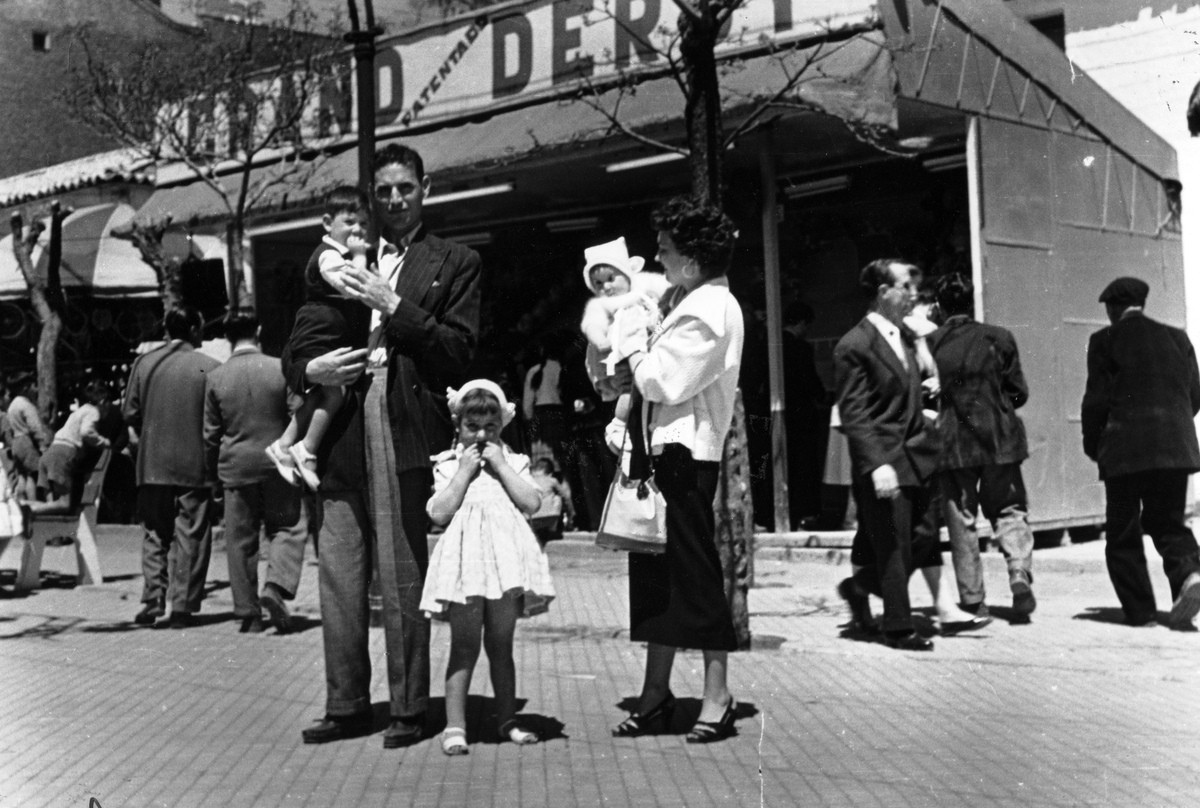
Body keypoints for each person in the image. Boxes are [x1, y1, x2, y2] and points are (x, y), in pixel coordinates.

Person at [288, 142, 481, 748]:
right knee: (339, 573)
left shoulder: (454, 262)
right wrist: (307, 369)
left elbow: (457, 349)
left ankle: (406, 707)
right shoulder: (342, 257)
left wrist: (393, 305)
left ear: (426, 187)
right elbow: (305, 330)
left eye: (405, 188)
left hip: (401, 419)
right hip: (340, 417)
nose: (394, 199)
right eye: (384, 191)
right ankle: (345, 703)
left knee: (401, 576)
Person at [609, 196, 743, 744]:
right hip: (660, 453)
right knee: (655, 578)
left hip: (686, 459)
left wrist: (635, 351)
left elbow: (665, 382)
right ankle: (656, 693)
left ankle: (718, 695)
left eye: (665, 251)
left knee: (695, 575)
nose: (657, 259)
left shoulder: (711, 311)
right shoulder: (688, 300)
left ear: (691, 258)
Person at [420, 381, 554, 754]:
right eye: (471, 428)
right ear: (457, 426)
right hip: (467, 567)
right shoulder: (449, 465)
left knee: (501, 645)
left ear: (502, 427)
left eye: (490, 428)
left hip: (505, 567)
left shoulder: (514, 462)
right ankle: (455, 726)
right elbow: (439, 513)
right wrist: (464, 472)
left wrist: (498, 464)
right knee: (464, 646)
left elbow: (532, 503)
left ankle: (507, 719)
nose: (480, 436)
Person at [833, 259, 942, 651]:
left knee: (925, 535)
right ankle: (897, 627)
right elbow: (855, 412)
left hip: (918, 455)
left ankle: (859, 586)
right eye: (905, 286)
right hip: (884, 459)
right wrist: (877, 463)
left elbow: (923, 383)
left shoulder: (906, 337)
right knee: (894, 544)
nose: (913, 294)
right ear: (883, 292)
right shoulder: (854, 345)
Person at [1081, 277, 1200, 629]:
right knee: (1168, 521)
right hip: (1173, 448)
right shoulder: (1178, 337)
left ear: (1113, 307)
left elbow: (1096, 401)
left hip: (1124, 450)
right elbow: (1195, 393)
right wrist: (1170, 426)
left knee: (1123, 531)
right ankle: (1189, 574)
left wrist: (1094, 444)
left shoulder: (1104, 340)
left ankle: (1141, 613)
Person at [928, 274, 1037, 622]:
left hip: (953, 443)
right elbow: (1019, 391)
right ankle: (1018, 571)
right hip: (999, 439)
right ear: (972, 302)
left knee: (961, 519)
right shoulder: (1000, 337)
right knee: (1009, 509)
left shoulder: (932, 342)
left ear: (940, 307)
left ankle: (973, 599)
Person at [204, 311, 307, 634]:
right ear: (258, 330)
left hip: (235, 467)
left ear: (227, 338)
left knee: (240, 540)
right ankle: (275, 586)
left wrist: (213, 475)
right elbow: (297, 414)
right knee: (288, 527)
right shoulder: (279, 368)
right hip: (277, 463)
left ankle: (247, 615)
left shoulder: (216, 377)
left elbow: (210, 434)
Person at [271, 186, 375, 490]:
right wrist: (359, 256)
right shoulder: (329, 256)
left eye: (364, 224)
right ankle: (307, 450)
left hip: (325, 331)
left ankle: (285, 444)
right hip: (318, 331)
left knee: (320, 394)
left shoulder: (336, 253)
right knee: (334, 393)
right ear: (328, 222)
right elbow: (354, 287)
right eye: (350, 222)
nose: (358, 230)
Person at [124, 306, 220, 629]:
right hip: (195, 463)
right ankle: (182, 606)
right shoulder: (210, 368)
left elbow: (131, 414)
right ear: (193, 329)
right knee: (191, 534)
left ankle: (153, 598)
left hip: (151, 463)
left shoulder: (144, 364)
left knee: (154, 531)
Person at [580, 236, 670, 406]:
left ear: (627, 273)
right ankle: (621, 424)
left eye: (611, 279)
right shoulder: (601, 304)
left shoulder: (644, 289)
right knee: (627, 399)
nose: (605, 287)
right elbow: (592, 324)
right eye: (598, 283)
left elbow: (668, 290)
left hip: (654, 347)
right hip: (621, 358)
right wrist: (601, 341)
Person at [26, 380, 127, 516]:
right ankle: (29, 510)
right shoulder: (93, 412)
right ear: (102, 402)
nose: (108, 410)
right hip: (63, 455)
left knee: (50, 506)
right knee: (64, 504)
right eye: (108, 405)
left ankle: (23, 505)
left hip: (49, 454)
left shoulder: (79, 411)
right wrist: (104, 442)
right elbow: (86, 432)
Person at [5, 374, 51, 500]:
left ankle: (22, 503)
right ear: (26, 388)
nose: (36, 390)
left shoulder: (12, 406)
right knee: (33, 475)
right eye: (34, 386)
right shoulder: (26, 405)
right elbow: (35, 426)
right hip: (26, 442)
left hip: (16, 442)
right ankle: (32, 504)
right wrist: (42, 445)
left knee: (22, 475)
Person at [529, 457, 574, 545]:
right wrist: (571, 515)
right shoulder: (552, 480)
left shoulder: (528, 480)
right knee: (557, 498)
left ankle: (535, 530)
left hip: (531, 518)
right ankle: (552, 529)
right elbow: (566, 498)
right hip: (550, 517)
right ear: (550, 474)